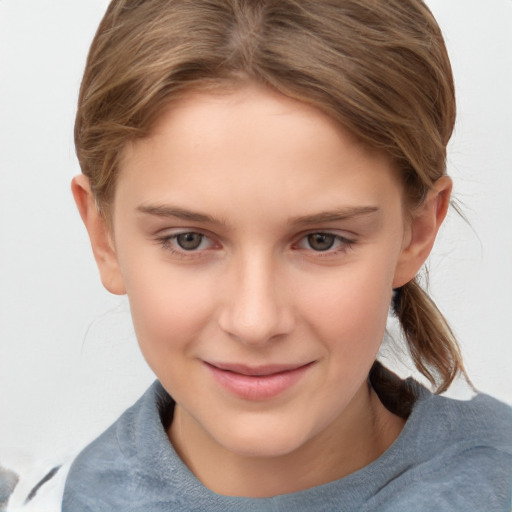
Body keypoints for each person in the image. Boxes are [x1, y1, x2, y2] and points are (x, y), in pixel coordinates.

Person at [54, 0, 511, 510]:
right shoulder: (56, 499)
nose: (255, 322)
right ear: (103, 235)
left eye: (322, 240)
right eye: (188, 239)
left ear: (416, 232)